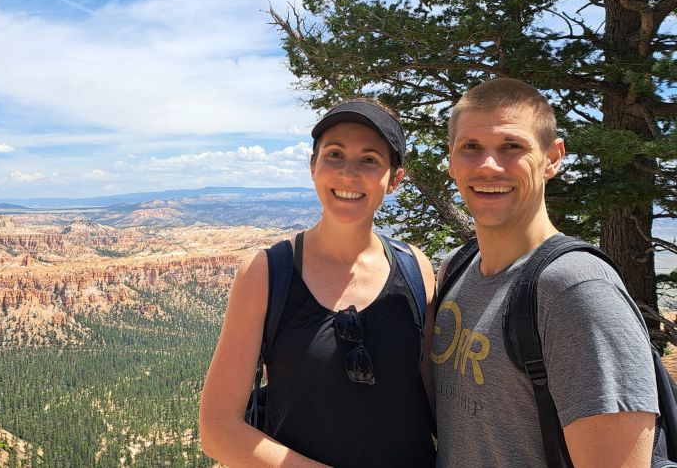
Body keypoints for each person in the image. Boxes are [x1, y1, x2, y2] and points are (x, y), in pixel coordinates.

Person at [433, 77, 659, 467]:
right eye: (471, 147)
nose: (488, 165)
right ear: (452, 160)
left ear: (552, 158)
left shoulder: (575, 291)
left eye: (512, 147)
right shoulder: (457, 268)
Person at [199, 99, 437, 468]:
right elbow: (218, 430)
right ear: (313, 167)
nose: (348, 173)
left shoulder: (415, 268)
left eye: (370, 160)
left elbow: (436, 400)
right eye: (335, 154)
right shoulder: (266, 272)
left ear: (394, 179)